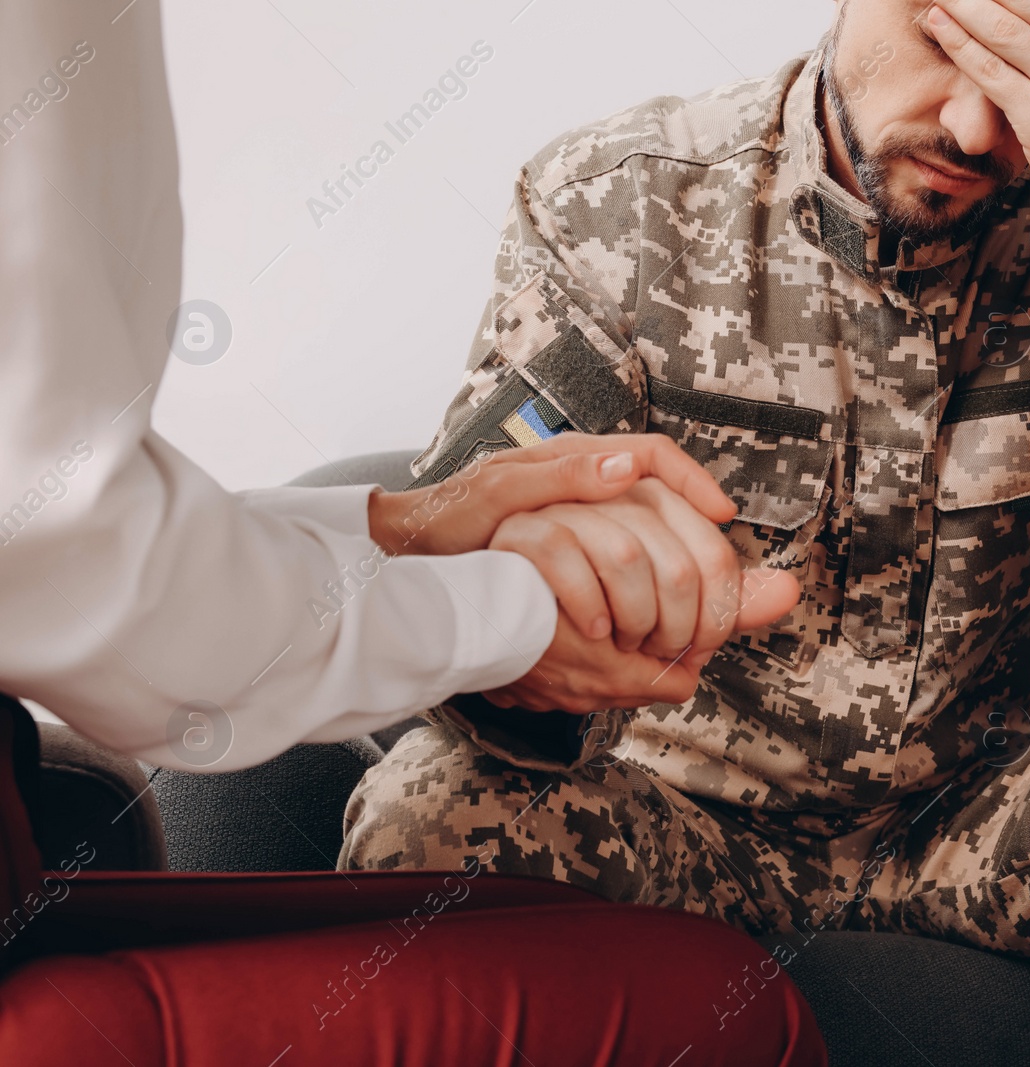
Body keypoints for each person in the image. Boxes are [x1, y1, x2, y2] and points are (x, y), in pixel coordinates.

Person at [342, 1, 1030, 1064]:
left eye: (1029, 75)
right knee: (426, 808)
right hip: (674, 817)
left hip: (976, 829)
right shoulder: (619, 203)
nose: (978, 128)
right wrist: (540, 652)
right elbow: (455, 607)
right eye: (949, 40)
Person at [0, 1, 822, 1062]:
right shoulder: (622, 194)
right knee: (739, 1010)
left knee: (517, 936)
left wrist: (403, 527)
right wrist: (516, 609)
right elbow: (73, 558)